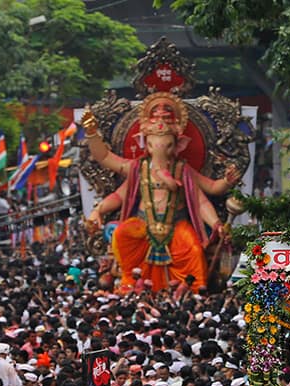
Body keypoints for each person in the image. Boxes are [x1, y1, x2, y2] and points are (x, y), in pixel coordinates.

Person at [81, 92, 240, 292]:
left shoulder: (183, 170)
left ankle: (195, 288)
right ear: (144, 144)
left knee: (193, 250)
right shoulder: (138, 168)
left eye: (168, 145)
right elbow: (105, 161)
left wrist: (223, 194)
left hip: (175, 226)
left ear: (179, 145)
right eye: (152, 145)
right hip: (143, 225)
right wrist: (91, 133)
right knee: (121, 235)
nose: (160, 151)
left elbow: (206, 196)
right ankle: (129, 281)